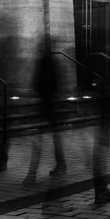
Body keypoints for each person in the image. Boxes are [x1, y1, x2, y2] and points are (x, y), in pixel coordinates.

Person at [23, 47, 67, 185]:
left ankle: (32, 173)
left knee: (39, 139)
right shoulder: (52, 62)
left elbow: (36, 81)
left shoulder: (43, 62)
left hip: (45, 103)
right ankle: (60, 164)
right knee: (53, 136)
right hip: (49, 103)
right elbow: (58, 83)